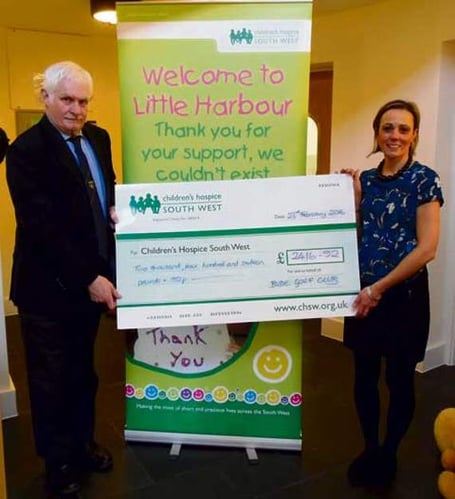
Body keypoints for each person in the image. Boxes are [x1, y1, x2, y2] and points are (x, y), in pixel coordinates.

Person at [6, 61, 121, 499]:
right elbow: (42, 228)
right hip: (47, 290)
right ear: (46, 98)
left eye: (84, 101)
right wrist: (88, 277)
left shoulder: (98, 138)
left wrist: (116, 209)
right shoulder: (26, 151)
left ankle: (82, 445)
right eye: (68, 100)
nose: (77, 110)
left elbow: (106, 185)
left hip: (90, 284)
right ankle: (58, 464)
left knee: (82, 372)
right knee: (50, 380)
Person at [341, 99, 444, 488]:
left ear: (414, 134)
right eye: (387, 128)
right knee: (364, 376)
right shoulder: (367, 179)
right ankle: (370, 447)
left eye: (403, 128)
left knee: (400, 379)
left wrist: (378, 288)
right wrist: (354, 201)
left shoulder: (425, 180)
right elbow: (360, 235)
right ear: (377, 133)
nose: (395, 135)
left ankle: (389, 453)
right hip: (364, 294)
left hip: (403, 298)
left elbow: (427, 248)